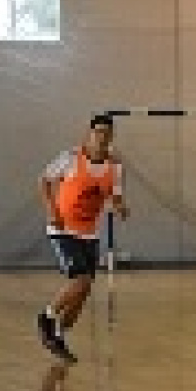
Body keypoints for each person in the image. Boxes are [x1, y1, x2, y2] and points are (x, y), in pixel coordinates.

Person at [38, 114, 129, 363]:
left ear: (112, 136)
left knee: (83, 292)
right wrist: (51, 211)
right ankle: (46, 317)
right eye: (98, 132)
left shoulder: (115, 166)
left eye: (106, 133)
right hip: (63, 229)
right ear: (89, 134)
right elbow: (44, 180)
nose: (102, 137)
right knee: (81, 280)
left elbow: (115, 194)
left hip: (89, 233)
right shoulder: (70, 157)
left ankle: (58, 335)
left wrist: (120, 207)